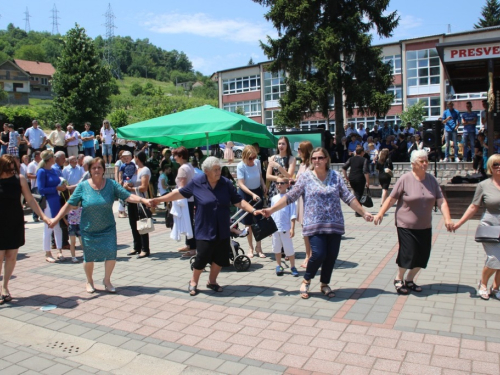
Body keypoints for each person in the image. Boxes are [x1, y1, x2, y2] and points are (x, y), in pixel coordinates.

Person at [257, 148, 373, 299]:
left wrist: (364, 213)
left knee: (331, 256)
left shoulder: (336, 177)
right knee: (318, 254)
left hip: (334, 224)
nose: (317, 161)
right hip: (314, 224)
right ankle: (307, 279)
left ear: (326, 159)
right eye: (314, 158)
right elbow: (290, 196)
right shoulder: (305, 177)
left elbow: (348, 197)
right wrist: (272, 210)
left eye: (320, 158)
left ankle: (324, 284)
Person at [151, 157, 257, 296]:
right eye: (215, 170)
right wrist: (158, 199)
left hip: (222, 227)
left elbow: (238, 201)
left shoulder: (225, 183)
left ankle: (212, 281)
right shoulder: (197, 182)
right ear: (206, 171)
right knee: (202, 256)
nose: (219, 172)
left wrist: (253, 210)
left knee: (220, 258)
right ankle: (193, 281)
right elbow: (179, 193)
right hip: (204, 228)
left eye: (219, 169)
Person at [49, 157, 151, 293]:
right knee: (89, 257)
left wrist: (143, 200)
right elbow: (69, 205)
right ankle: (89, 281)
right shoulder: (83, 186)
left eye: (99, 167)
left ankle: (107, 280)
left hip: (108, 227)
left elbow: (127, 196)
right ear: (90, 170)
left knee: (111, 254)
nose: (96, 170)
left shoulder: (111, 184)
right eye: (94, 168)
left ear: (103, 170)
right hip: (88, 229)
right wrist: (56, 219)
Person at [374, 150, 453, 295]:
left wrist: (447, 219)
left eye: (426, 161)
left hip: (424, 225)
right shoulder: (405, 179)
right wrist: (380, 213)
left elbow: (441, 201)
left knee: (423, 256)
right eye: (421, 161)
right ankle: (399, 278)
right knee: (408, 252)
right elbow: (391, 199)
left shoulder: (431, 180)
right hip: (405, 224)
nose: (425, 164)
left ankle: (409, 279)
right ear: (413, 164)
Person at [0, 155, 50, 303]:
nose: (11, 171)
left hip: (15, 221)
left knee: (11, 256)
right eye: (8, 168)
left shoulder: (20, 179)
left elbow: (30, 200)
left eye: (13, 168)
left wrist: (43, 216)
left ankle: (5, 287)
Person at [453, 154, 500, 299]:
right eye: (495, 165)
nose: (499, 167)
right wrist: (459, 224)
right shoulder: (484, 185)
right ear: (490, 168)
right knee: (495, 258)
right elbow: (474, 207)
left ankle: (496, 288)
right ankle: (483, 283)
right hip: (490, 226)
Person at [37, 150, 68, 263]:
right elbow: (41, 189)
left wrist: (62, 186)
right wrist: (56, 188)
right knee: (48, 227)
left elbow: (57, 182)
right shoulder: (41, 171)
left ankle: (59, 250)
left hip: (57, 201)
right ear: (50, 159)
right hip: (48, 203)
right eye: (53, 157)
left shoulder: (54, 170)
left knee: (58, 226)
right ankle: (47, 252)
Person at [237, 145, 267, 258]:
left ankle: (259, 247)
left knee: (259, 221)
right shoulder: (241, 166)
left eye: (254, 157)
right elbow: (241, 184)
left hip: (257, 192)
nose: (252, 160)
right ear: (244, 157)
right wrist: (251, 194)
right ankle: (250, 247)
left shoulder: (257, 162)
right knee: (248, 222)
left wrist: (263, 185)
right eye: (250, 158)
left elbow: (260, 176)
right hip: (246, 194)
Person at [123, 151, 151, 259]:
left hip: (141, 200)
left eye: (134, 156)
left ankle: (145, 249)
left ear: (137, 157)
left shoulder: (145, 170)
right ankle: (136, 246)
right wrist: (128, 184)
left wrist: (130, 188)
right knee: (133, 223)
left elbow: (144, 187)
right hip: (131, 200)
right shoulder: (134, 169)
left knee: (142, 224)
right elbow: (132, 181)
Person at [271, 177, 298, 277]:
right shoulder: (274, 198)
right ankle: (278, 265)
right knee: (276, 248)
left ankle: (292, 266)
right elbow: (272, 213)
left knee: (288, 248)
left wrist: (292, 228)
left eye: (282, 183)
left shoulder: (290, 198)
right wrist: (270, 228)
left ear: (287, 185)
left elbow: (293, 214)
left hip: (285, 228)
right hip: (275, 228)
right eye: (277, 183)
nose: (279, 185)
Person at [172, 146, 196, 257]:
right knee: (190, 222)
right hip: (190, 198)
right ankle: (189, 245)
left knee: (188, 223)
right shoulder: (189, 166)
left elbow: (182, 186)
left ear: (181, 156)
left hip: (185, 200)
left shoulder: (182, 168)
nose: (174, 158)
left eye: (175, 155)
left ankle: (192, 249)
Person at [296, 141, 313, 268]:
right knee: (304, 229)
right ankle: (309, 255)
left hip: (309, 200)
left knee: (310, 229)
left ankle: (311, 256)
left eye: (299, 149)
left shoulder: (311, 166)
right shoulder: (302, 164)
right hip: (301, 199)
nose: (297, 151)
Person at [342, 145, 369, 217]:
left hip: (352, 178)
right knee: (358, 194)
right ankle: (358, 211)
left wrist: (346, 177)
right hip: (360, 178)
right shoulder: (364, 160)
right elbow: (365, 171)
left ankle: (358, 210)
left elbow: (344, 168)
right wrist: (367, 181)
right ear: (362, 152)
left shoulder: (351, 159)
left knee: (356, 193)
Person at [267, 136, 296, 201]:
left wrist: (278, 166)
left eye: (283, 144)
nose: (281, 146)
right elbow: (268, 176)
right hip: (275, 187)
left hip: (286, 187)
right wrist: (279, 179)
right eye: (279, 144)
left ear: (287, 145)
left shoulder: (292, 158)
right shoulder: (273, 158)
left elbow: (289, 176)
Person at [27, 151, 42, 222]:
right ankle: (35, 216)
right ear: (36, 156)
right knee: (37, 202)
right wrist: (38, 176)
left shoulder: (41, 164)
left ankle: (42, 215)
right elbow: (28, 175)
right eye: (40, 155)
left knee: (43, 201)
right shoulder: (31, 165)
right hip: (35, 186)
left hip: (42, 185)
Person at [114, 150, 128, 218]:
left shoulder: (126, 162)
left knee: (124, 197)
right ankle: (120, 212)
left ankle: (123, 211)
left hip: (125, 181)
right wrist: (117, 182)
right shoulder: (118, 162)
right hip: (120, 182)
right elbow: (116, 172)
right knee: (121, 197)